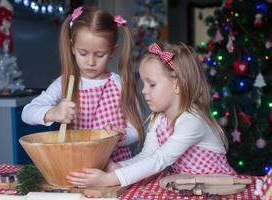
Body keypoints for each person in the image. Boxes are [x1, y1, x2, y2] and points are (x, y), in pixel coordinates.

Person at [67, 42, 236, 187]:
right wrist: (117, 167)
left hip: (220, 190)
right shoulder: (159, 119)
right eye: (144, 83)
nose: (143, 90)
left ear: (176, 85)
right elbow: (147, 156)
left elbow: (159, 160)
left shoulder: (192, 121)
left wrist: (108, 180)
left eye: (152, 84)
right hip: (193, 188)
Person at [21, 6, 144, 162]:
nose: (91, 62)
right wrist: (54, 113)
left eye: (100, 54)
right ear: (72, 47)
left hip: (115, 169)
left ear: (112, 51)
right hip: (77, 166)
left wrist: (122, 136)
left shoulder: (120, 84)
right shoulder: (64, 83)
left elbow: (137, 130)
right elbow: (27, 113)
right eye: (83, 53)